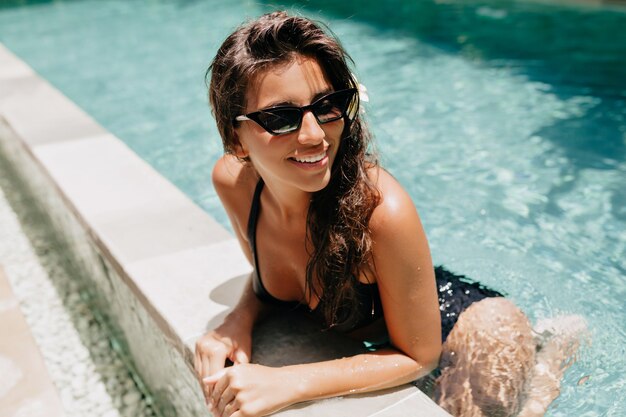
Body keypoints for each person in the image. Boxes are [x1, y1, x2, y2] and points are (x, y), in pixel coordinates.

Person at [195, 11, 584, 417]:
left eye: (328, 105)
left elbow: (420, 356)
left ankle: (546, 357)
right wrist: (236, 321)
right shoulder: (235, 185)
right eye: (280, 117)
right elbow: (270, 278)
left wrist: (291, 380)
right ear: (235, 140)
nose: (314, 135)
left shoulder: (380, 210)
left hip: (473, 331)